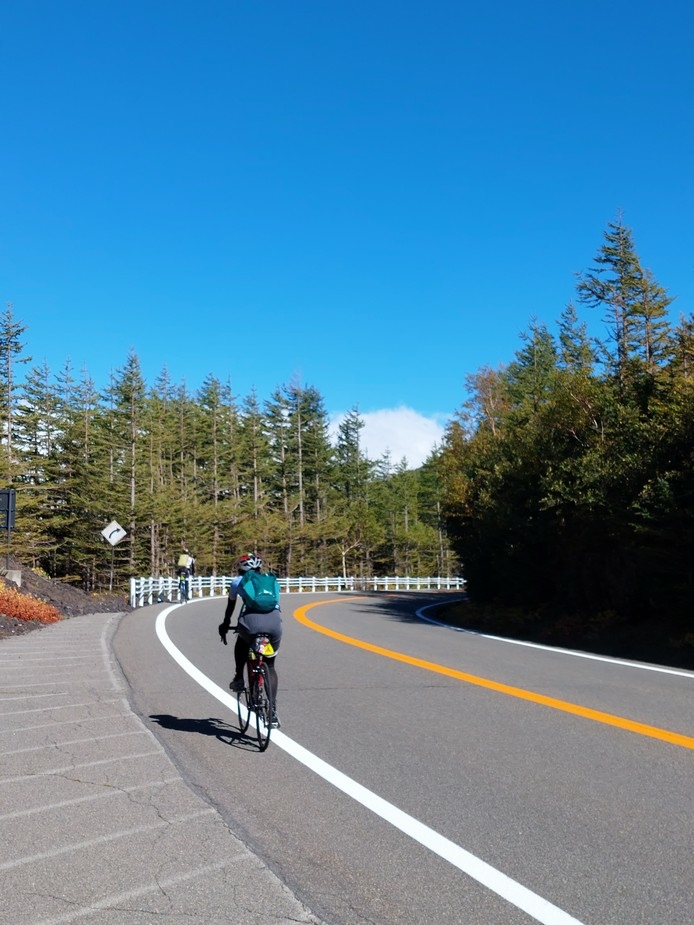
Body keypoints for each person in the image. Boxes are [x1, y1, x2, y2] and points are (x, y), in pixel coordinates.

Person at [218, 554, 282, 727]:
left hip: (250, 624)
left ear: (240, 568)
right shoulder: (271, 581)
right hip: (274, 624)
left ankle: (239, 677)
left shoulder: (237, 582)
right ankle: (272, 712)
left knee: (241, 642)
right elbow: (276, 606)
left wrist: (225, 625)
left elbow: (230, 607)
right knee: (270, 665)